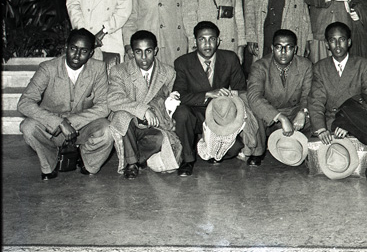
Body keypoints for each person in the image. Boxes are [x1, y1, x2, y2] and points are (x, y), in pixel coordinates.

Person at [18, 28, 113, 180]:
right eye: (73, 49)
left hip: (83, 127)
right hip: (52, 130)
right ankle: (50, 162)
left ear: (91, 53)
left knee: (108, 130)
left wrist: (70, 122)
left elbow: (104, 106)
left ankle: (88, 161)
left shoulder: (98, 68)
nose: (77, 55)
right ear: (66, 47)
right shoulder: (48, 68)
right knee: (28, 127)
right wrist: (58, 122)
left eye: (84, 51)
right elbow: (24, 102)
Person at [172, 21, 261, 173]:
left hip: (221, 115)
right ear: (195, 41)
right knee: (181, 113)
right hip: (196, 114)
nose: (207, 44)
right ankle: (187, 159)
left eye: (212, 39)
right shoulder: (183, 62)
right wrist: (207, 94)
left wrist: (229, 96)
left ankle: (210, 146)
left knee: (233, 150)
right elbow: (179, 96)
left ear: (218, 40)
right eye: (202, 39)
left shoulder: (230, 58)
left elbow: (241, 90)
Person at [108, 30, 182, 179]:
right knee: (122, 116)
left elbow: (170, 101)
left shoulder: (168, 72)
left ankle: (136, 157)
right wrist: (143, 110)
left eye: (148, 51)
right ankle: (131, 164)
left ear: (155, 50)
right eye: (138, 52)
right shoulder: (119, 71)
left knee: (160, 139)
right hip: (128, 125)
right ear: (131, 52)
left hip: (153, 124)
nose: (143, 57)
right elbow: (114, 99)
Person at [247, 29, 313, 158]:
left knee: (317, 114)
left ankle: (306, 149)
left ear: (295, 49)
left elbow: (309, 94)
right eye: (279, 47)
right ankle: (258, 151)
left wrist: (303, 112)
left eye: (289, 47)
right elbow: (254, 97)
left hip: (295, 114)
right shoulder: (260, 66)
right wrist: (281, 118)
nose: (283, 52)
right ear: (272, 48)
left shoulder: (305, 65)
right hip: (270, 116)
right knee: (254, 112)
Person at [308, 22, 367, 144]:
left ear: (349, 42)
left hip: (358, 121)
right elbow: (316, 101)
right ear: (327, 44)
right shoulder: (320, 67)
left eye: (342, 39)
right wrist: (321, 129)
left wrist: (349, 123)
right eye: (333, 40)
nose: (338, 45)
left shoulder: (364, 65)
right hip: (329, 124)